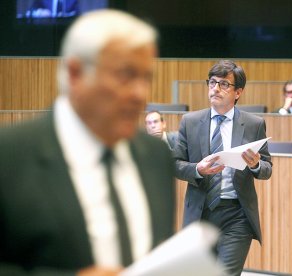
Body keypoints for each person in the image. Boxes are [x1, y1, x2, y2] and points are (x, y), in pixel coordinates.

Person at [0, 9, 175, 275]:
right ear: (75, 74)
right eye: (125, 75)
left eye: (146, 77)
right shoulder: (9, 156)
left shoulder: (155, 156)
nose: (141, 94)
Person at [173, 60, 273, 276]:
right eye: (212, 82)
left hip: (236, 215)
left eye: (224, 84)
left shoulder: (254, 124)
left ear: (238, 92)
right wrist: (197, 169)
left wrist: (256, 165)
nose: (216, 88)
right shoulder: (190, 121)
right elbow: (175, 164)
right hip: (201, 214)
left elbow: (267, 168)